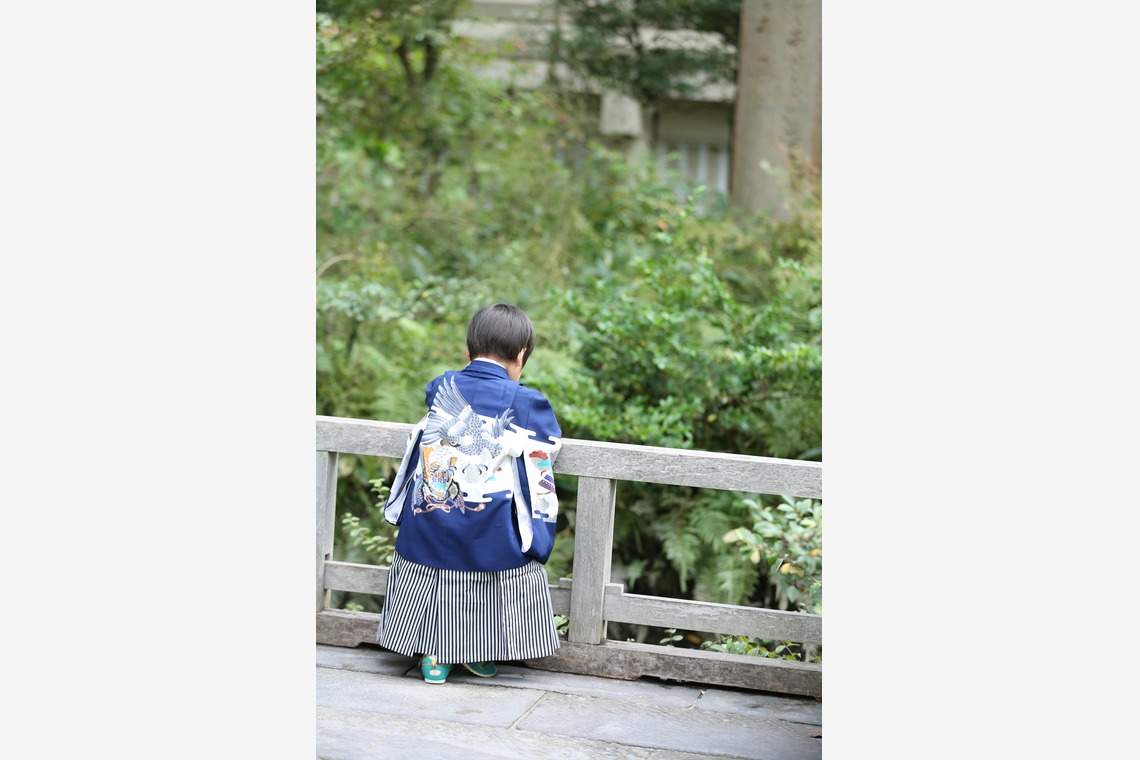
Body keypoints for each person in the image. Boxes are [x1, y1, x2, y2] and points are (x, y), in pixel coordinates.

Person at [376, 303, 563, 684]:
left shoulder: (441, 385)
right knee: (504, 566)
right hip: (486, 516)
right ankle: (473, 651)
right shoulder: (527, 402)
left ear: (467, 351)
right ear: (521, 355)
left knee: (432, 571)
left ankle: (433, 654)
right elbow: (547, 449)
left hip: (431, 507)